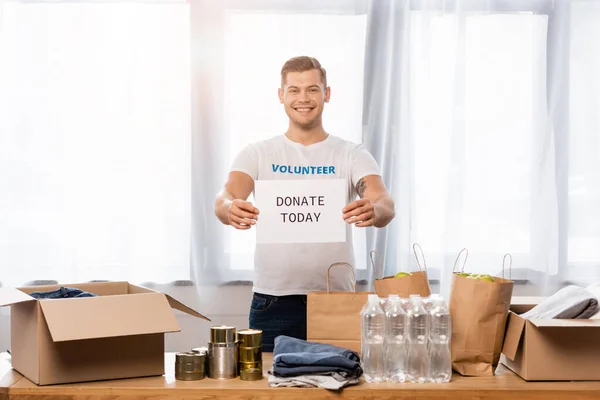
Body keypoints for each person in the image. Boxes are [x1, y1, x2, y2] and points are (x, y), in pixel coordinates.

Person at [214, 56, 395, 351]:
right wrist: (229, 208)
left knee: (342, 385)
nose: (303, 98)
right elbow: (224, 197)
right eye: (294, 90)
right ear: (281, 95)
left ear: (327, 94)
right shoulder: (258, 153)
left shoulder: (351, 153)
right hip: (272, 301)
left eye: (312, 89)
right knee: (270, 392)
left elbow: (383, 200)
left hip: (336, 299)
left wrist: (375, 209)